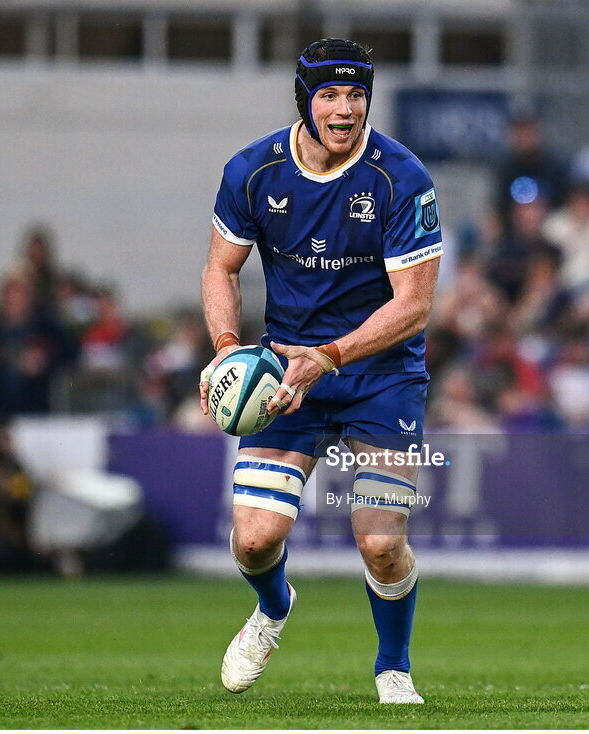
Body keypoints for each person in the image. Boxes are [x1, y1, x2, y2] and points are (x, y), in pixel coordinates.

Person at [199, 39, 441, 704]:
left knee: (378, 542)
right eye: (329, 95)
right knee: (253, 541)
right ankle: (272, 609)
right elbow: (222, 267)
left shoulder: (400, 177)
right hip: (285, 374)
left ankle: (393, 667)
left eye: (355, 95)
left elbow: (414, 306)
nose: (344, 109)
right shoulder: (254, 171)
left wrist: (329, 356)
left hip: (381, 375)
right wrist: (225, 346)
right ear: (304, 100)